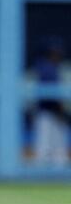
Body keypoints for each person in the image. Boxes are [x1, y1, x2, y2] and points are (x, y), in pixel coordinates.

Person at [33, 38, 69, 167]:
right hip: (47, 112)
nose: (58, 54)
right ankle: (42, 175)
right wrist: (61, 111)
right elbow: (53, 96)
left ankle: (53, 173)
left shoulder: (49, 67)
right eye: (55, 52)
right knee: (46, 148)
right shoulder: (46, 68)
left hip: (51, 113)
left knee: (56, 147)